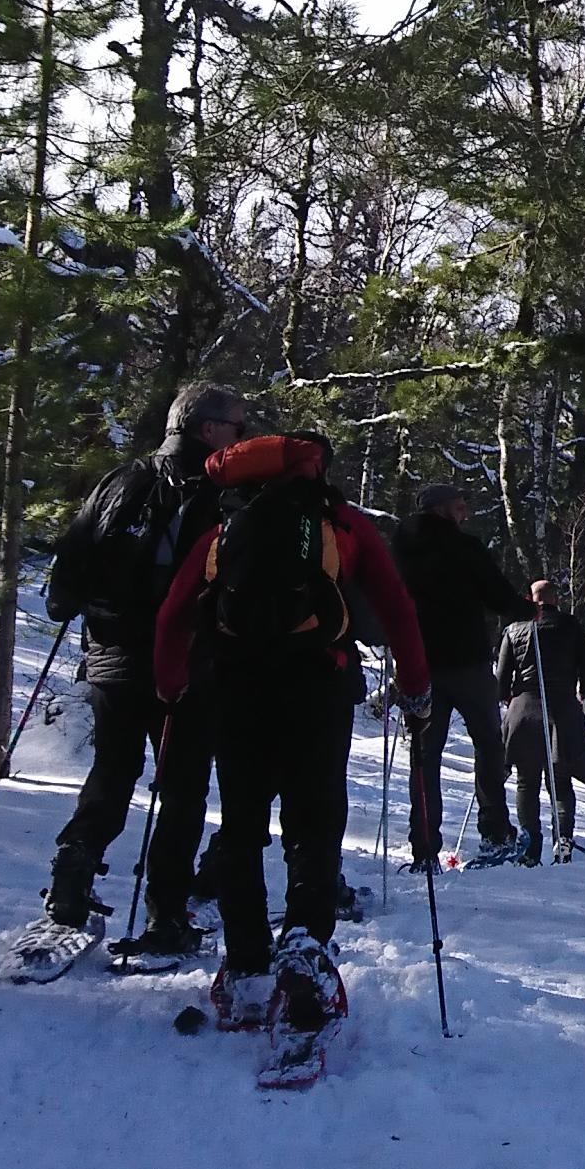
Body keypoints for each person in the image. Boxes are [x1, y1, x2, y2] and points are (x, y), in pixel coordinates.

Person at [154, 430, 428, 1022]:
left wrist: (170, 682)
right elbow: (397, 605)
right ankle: (305, 946)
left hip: (236, 686)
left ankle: (246, 961)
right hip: (317, 685)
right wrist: (415, 683)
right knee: (314, 818)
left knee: (242, 824)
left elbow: (175, 611)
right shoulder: (342, 526)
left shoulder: (223, 532)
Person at [35, 380, 241, 949]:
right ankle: (166, 912)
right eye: (235, 426)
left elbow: (69, 564)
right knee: (180, 790)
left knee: (114, 769)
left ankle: (73, 869)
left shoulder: (120, 479)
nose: (242, 437)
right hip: (184, 664)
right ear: (207, 430)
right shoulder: (215, 493)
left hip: (110, 657)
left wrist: (77, 610)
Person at [393, 484, 527, 869]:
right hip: (466, 661)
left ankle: (424, 849)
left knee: (424, 756)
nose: (465, 512)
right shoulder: (464, 548)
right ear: (441, 510)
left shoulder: (400, 548)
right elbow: (497, 595)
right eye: (459, 505)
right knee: (487, 744)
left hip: (419, 663)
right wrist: (527, 610)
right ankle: (495, 833)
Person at [494, 578, 585, 860]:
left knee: (526, 781)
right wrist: (584, 693)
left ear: (530, 599)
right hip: (561, 710)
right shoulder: (571, 626)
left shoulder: (514, 629)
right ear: (556, 599)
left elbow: (501, 680)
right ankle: (562, 840)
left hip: (524, 712)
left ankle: (529, 846)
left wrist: (507, 698)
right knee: (561, 781)